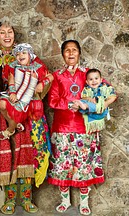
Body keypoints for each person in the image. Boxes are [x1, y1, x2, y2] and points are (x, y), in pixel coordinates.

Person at [0, 17, 51, 215]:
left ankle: (26, 199)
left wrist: (41, 84)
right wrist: (4, 106)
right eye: (3, 32)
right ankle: (9, 199)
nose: (7, 35)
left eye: (10, 32)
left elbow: (44, 74)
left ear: (14, 36)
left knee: (27, 153)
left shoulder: (26, 54)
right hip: (5, 115)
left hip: (26, 114)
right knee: (7, 155)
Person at [47, 39, 116, 215]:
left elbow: (108, 91)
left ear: (79, 53)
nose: (71, 53)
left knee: (84, 165)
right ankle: (65, 201)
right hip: (62, 127)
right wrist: (73, 103)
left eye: (74, 50)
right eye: (67, 50)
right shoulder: (57, 76)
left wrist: (99, 105)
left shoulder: (88, 74)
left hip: (84, 128)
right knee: (62, 166)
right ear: (63, 54)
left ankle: (84, 203)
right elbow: (53, 101)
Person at [0, 43, 48, 140]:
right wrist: (12, 92)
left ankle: (10, 130)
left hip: (27, 99)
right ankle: (15, 125)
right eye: (18, 54)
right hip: (14, 93)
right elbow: (11, 78)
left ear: (30, 55)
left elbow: (50, 76)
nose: (21, 56)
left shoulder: (38, 67)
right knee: (2, 104)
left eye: (24, 53)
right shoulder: (14, 66)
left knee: (17, 113)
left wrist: (42, 83)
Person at [73, 68, 117, 134]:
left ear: (101, 80)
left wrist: (106, 103)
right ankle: (82, 106)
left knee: (95, 104)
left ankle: (85, 106)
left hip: (100, 111)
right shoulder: (87, 89)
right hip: (90, 113)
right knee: (82, 100)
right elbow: (84, 97)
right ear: (87, 82)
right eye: (91, 79)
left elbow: (113, 96)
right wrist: (89, 99)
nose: (94, 81)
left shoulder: (105, 88)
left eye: (96, 78)